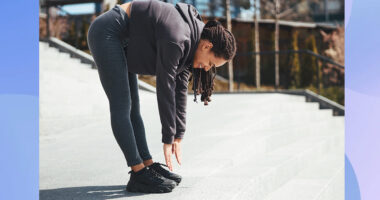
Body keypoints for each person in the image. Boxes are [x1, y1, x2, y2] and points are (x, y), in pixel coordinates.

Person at [87, 0, 236, 193]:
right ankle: (138, 172)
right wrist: (167, 137)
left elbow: (180, 87)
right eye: (211, 63)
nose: (208, 68)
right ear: (207, 46)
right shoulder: (178, 37)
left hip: (127, 40)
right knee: (122, 105)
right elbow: (165, 87)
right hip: (108, 32)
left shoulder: (193, 43)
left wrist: (178, 134)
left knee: (134, 107)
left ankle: (146, 164)